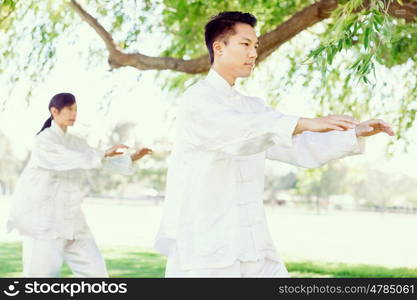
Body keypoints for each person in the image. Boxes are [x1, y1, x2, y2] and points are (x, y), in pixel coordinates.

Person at [154, 11, 394, 277]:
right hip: (206, 246)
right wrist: (304, 122)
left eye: (255, 46)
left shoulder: (253, 107)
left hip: (254, 244)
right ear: (219, 47)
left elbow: (294, 144)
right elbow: (237, 135)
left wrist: (352, 133)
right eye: (245, 44)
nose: (253, 53)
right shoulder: (197, 101)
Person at [7, 92, 152, 277]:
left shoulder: (76, 142)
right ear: (54, 111)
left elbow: (97, 161)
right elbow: (69, 158)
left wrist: (131, 158)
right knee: (41, 280)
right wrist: (103, 153)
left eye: (76, 109)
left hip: (73, 221)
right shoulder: (44, 141)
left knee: (96, 273)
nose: (74, 113)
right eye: (69, 109)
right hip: (44, 222)